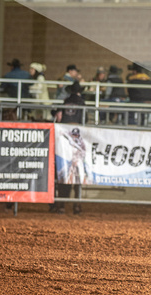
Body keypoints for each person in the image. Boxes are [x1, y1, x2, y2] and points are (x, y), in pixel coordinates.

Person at [52, 81, 86, 215]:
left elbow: (58, 117)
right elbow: (85, 120)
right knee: (79, 171)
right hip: (77, 140)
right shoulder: (82, 103)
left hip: (64, 140)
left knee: (63, 170)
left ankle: (61, 205)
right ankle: (77, 205)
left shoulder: (65, 101)